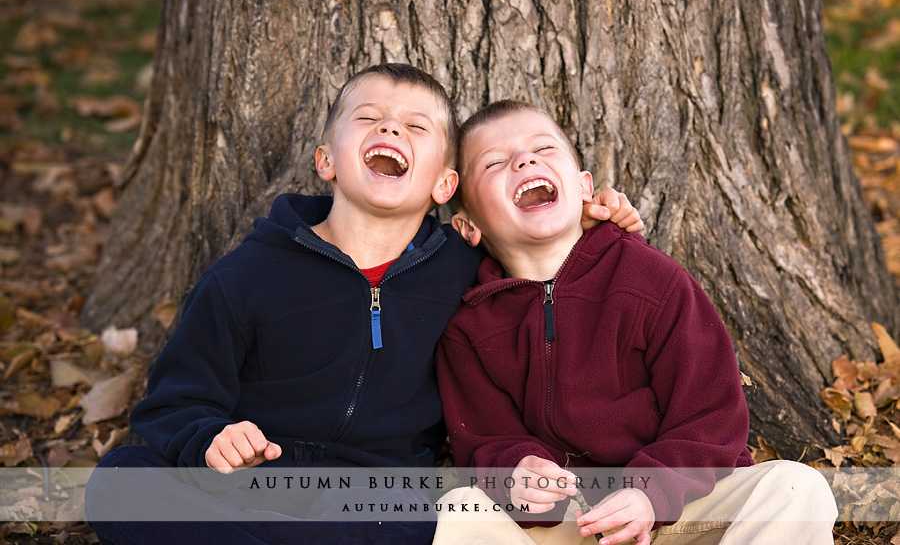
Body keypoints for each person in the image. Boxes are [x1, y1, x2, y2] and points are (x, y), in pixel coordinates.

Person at [85, 65, 643, 545]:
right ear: (326, 160)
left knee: (441, 519)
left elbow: (542, 280)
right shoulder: (247, 275)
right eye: (369, 117)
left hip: (377, 501)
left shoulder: (467, 269)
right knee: (120, 479)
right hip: (250, 486)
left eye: (416, 126)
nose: (391, 126)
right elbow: (174, 403)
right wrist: (210, 438)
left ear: (445, 185)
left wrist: (595, 229)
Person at [433, 100, 838, 545]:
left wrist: (651, 494)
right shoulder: (470, 331)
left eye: (544, 149)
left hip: (678, 510)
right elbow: (485, 441)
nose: (524, 160)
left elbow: (713, 415)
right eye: (494, 162)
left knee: (796, 488)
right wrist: (516, 473)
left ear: (586, 188)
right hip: (569, 526)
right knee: (463, 509)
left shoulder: (650, 281)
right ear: (468, 226)